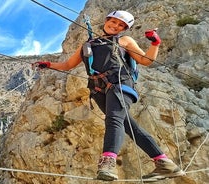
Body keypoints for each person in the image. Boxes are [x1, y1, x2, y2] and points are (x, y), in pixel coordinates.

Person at [34, 10, 185, 181]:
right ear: (107, 20)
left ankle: (108, 162)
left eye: (121, 25)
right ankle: (165, 164)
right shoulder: (88, 44)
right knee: (129, 127)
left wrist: (155, 43)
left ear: (124, 29)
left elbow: (146, 61)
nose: (116, 26)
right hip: (99, 91)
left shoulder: (124, 41)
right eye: (114, 22)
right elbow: (68, 64)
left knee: (113, 120)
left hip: (120, 85)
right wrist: (48, 64)